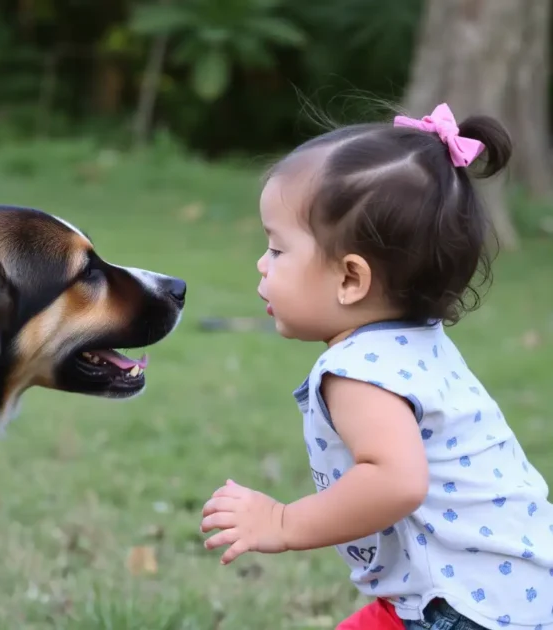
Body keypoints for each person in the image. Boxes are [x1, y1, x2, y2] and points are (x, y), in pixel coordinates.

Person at [199, 103, 553, 630]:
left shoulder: (359, 372)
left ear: (351, 280)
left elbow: (396, 483)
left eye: (276, 249)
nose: (261, 263)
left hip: (465, 608)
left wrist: (282, 521)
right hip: (508, 592)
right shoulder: (416, 344)